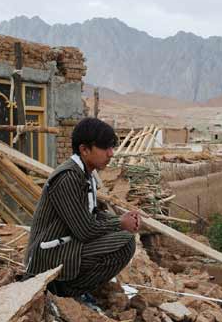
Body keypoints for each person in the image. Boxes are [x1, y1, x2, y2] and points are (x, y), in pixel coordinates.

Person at [24, 117, 140, 297]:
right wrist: (119, 223)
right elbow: (86, 231)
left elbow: (91, 214)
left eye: (112, 147)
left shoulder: (85, 174)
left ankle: (72, 286)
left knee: (121, 237)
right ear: (84, 150)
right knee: (124, 244)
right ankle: (65, 290)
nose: (110, 153)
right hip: (47, 258)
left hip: (65, 246)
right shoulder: (68, 177)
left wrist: (123, 219)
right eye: (105, 147)